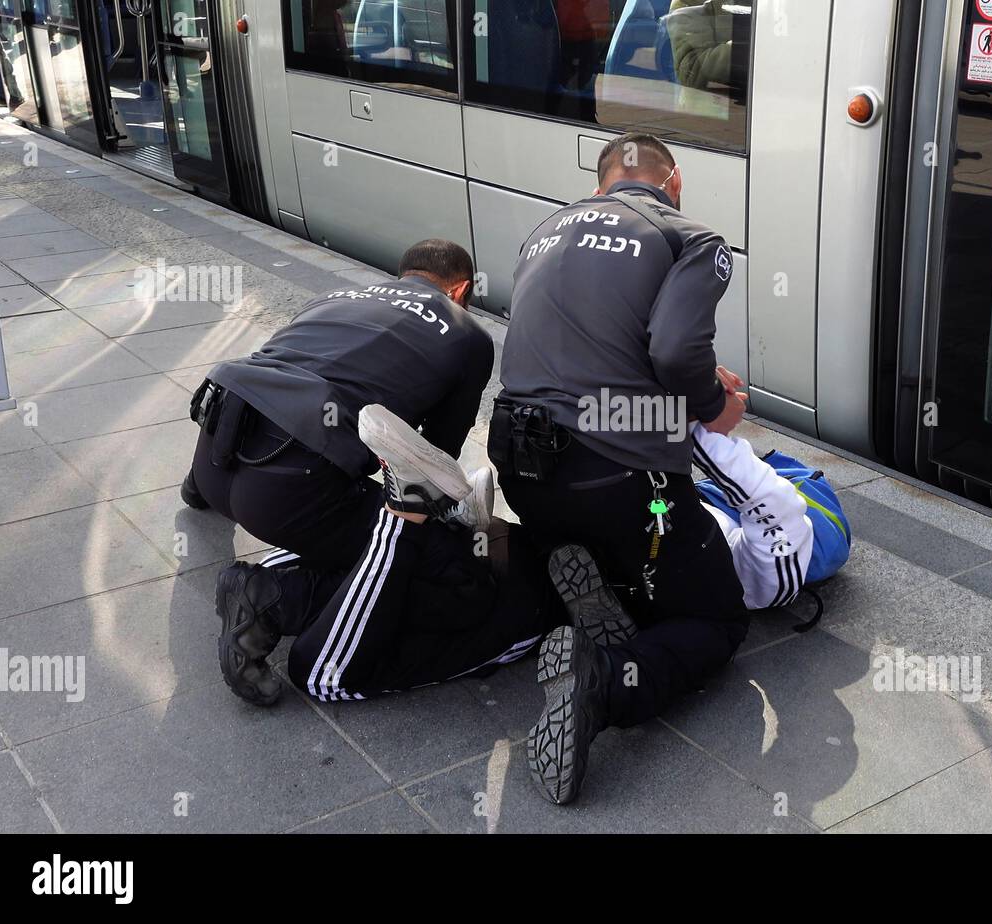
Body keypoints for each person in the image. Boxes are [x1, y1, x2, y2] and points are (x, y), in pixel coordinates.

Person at [490, 130, 750, 804]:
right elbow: (672, 349)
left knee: (633, 546)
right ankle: (604, 682)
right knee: (716, 620)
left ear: (602, 182)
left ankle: (599, 579)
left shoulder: (544, 231)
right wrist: (713, 404)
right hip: (614, 469)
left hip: (519, 462)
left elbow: (584, 347)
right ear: (677, 180)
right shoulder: (690, 236)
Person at [215, 405, 563, 705]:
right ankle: (405, 511)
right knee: (322, 674)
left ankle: (273, 589)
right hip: (501, 592)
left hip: (484, 551)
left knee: (379, 597)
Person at [183, 239, 494, 572]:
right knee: (442, 558)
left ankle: (201, 488)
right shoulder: (469, 335)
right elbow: (434, 457)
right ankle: (268, 594)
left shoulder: (331, 297)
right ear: (461, 290)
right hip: (289, 492)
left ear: (402, 275)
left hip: (213, 457)